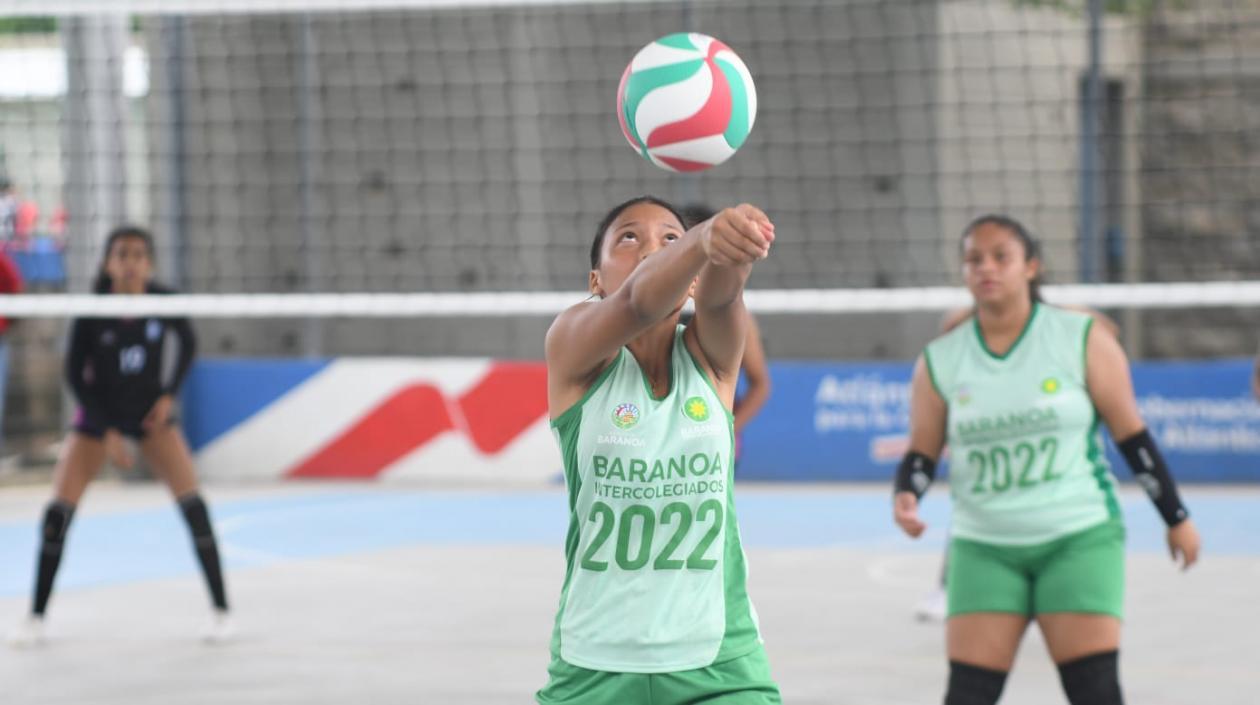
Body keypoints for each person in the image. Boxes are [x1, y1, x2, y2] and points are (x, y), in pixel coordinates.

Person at [892, 214, 1200, 704]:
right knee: (967, 695)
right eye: (974, 259)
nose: (986, 268)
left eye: (1001, 257)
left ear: (1031, 266)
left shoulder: (1081, 338)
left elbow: (1133, 438)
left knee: (1095, 692)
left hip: (1077, 538)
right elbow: (922, 453)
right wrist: (907, 493)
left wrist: (1176, 517)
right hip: (984, 546)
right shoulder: (940, 359)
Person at [537, 196, 780, 704]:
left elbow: (721, 298)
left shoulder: (711, 359)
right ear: (595, 280)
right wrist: (701, 238)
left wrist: (734, 245)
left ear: (691, 280)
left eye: (670, 238)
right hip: (593, 664)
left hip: (719, 664)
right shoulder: (571, 344)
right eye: (628, 237)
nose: (651, 250)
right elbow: (636, 305)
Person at [8, 225, 231, 647]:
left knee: (195, 508)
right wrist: (106, 430)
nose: (130, 263)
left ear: (149, 263)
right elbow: (75, 374)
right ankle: (35, 617)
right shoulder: (93, 309)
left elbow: (187, 344)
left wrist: (168, 394)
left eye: (138, 255)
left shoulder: (164, 302)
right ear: (108, 263)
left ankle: (222, 612)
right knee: (57, 516)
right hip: (99, 417)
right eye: (122, 255)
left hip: (149, 416)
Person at [914, 305, 1120, 623]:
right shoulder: (966, 346)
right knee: (970, 518)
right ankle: (946, 588)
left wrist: (1045, 306)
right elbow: (950, 328)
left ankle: (1051, 591)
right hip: (988, 475)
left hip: (1054, 487)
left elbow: (1109, 329)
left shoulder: (1061, 336)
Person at [681, 204, 772, 459]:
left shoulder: (736, 318)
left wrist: (727, 429)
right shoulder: (653, 308)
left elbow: (760, 384)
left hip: (711, 443)